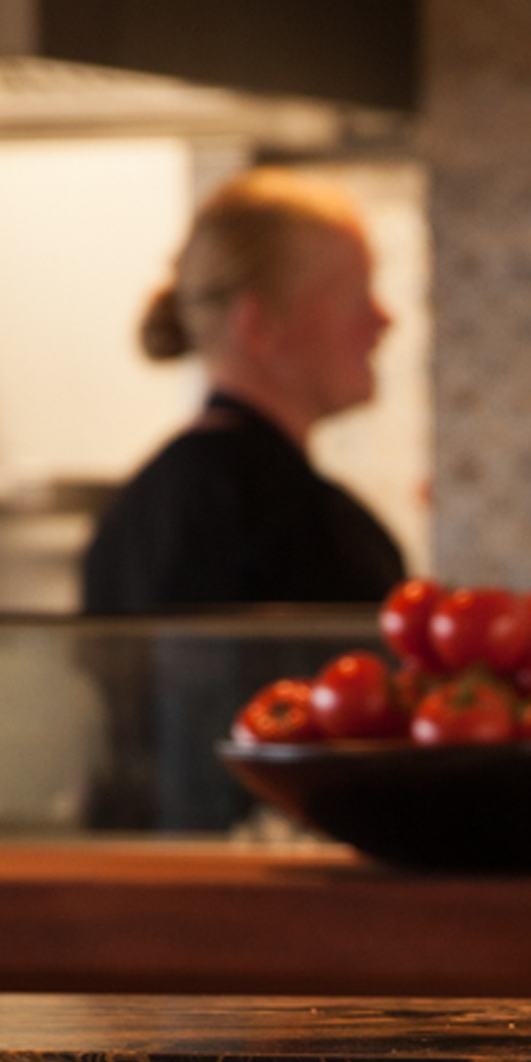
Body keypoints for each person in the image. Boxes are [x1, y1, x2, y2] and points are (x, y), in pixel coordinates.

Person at [81, 171, 408, 825]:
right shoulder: (310, 526)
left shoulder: (134, 508)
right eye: (355, 296)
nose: (383, 321)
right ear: (261, 326)